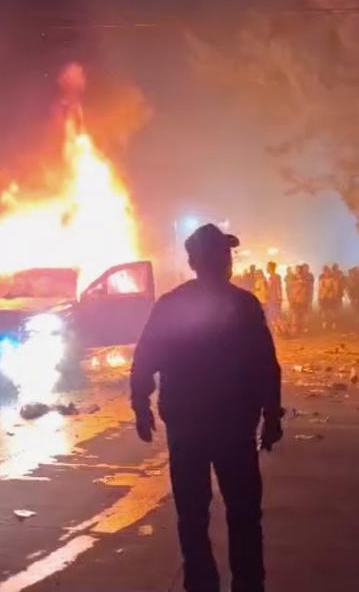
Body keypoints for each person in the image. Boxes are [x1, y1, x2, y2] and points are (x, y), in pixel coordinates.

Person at [131, 223, 283, 592]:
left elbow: (145, 358)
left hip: (194, 426)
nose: (226, 259)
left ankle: (206, 584)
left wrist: (141, 404)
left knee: (197, 515)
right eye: (221, 253)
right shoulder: (242, 305)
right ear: (199, 260)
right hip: (226, 426)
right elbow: (266, 365)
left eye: (227, 253)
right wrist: (271, 415)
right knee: (240, 513)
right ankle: (244, 584)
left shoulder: (174, 304)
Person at [318, 266, 339, 330]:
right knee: (324, 311)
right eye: (324, 271)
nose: (326, 273)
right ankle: (324, 323)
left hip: (331, 298)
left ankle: (333, 323)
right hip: (324, 298)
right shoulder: (321, 280)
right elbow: (320, 289)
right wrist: (319, 297)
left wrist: (335, 296)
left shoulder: (333, 280)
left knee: (332, 311)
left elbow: (336, 289)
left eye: (327, 271)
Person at [265, 262, 284, 333]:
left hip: (275, 299)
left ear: (271, 268)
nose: (266, 268)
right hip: (270, 299)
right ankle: (277, 330)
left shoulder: (276, 276)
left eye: (267, 267)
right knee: (272, 314)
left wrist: (279, 297)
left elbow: (278, 287)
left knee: (278, 314)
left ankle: (283, 330)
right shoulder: (269, 277)